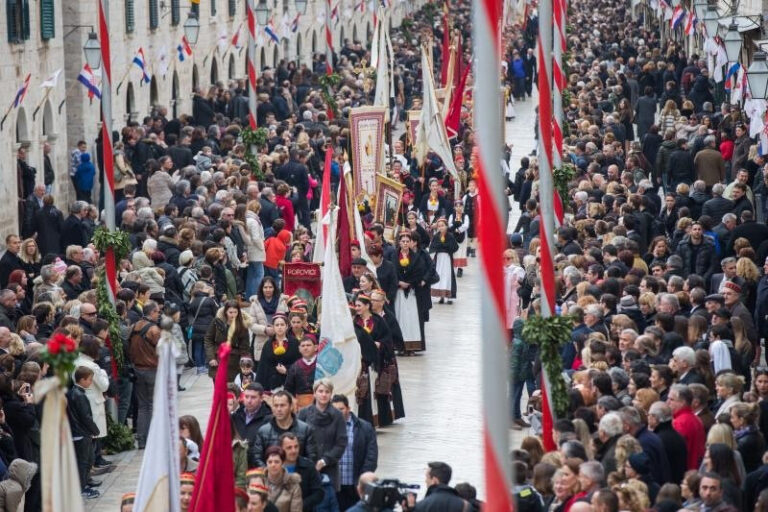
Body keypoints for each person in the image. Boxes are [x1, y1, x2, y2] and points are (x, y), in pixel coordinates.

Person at [297, 379, 347, 493]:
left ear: (331, 394)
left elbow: (341, 443)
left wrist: (324, 461)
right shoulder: (304, 413)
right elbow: (297, 438)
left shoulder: (338, 415)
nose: (323, 394)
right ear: (314, 393)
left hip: (329, 467)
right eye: (320, 391)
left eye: (327, 391)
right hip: (307, 467)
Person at [330, 394, 377, 510]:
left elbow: (371, 456)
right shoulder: (327, 427)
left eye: (341, 409)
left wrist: (362, 481)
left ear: (348, 409)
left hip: (355, 485)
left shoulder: (364, 427)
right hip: (335, 486)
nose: (338, 413)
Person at [250, 390, 316, 467]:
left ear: (291, 406)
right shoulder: (263, 431)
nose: (279, 409)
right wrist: (269, 472)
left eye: (282, 405)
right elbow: (257, 458)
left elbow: (312, 457)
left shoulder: (305, 429)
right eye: (276, 406)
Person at [67, 366, 101, 499]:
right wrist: (95, 429)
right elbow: (85, 416)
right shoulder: (79, 395)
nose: (91, 382)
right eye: (89, 379)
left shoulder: (74, 392)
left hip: (79, 431)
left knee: (87, 459)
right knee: (83, 461)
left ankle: (85, 483)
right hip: (81, 432)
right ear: (82, 380)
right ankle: (82, 488)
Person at [204, 300, 253, 381]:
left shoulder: (242, 325)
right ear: (225, 312)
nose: (233, 315)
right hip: (218, 359)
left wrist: (245, 363)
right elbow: (208, 339)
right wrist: (211, 357)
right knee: (219, 389)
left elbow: (245, 347)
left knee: (234, 390)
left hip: (235, 362)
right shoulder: (217, 322)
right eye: (230, 312)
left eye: (235, 312)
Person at [255, 313, 300, 392]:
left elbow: (299, 364)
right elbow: (262, 367)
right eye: (277, 325)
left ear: (287, 326)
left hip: (290, 384)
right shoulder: (268, 344)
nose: (280, 327)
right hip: (271, 384)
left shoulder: (294, 343)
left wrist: (287, 370)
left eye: (282, 324)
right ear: (273, 327)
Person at [428, 218, 459, 304]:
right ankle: (441, 296)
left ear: (446, 226)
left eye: (443, 226)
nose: (441, 228)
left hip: (447, 259)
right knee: (439, 275)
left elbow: (455, 247)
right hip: (439, 259)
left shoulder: (450, 236)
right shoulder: (436, 236)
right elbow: (432, 247)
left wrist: (445, 246)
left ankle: (448, 297)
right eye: (439, 226)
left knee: (447, 276)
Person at [264, 445, 303, 512]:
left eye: (276, 462)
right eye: (270, 462)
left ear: (283, 463)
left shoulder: (293, 485)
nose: (273, 465)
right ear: (266, 463)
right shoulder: (258, 481)